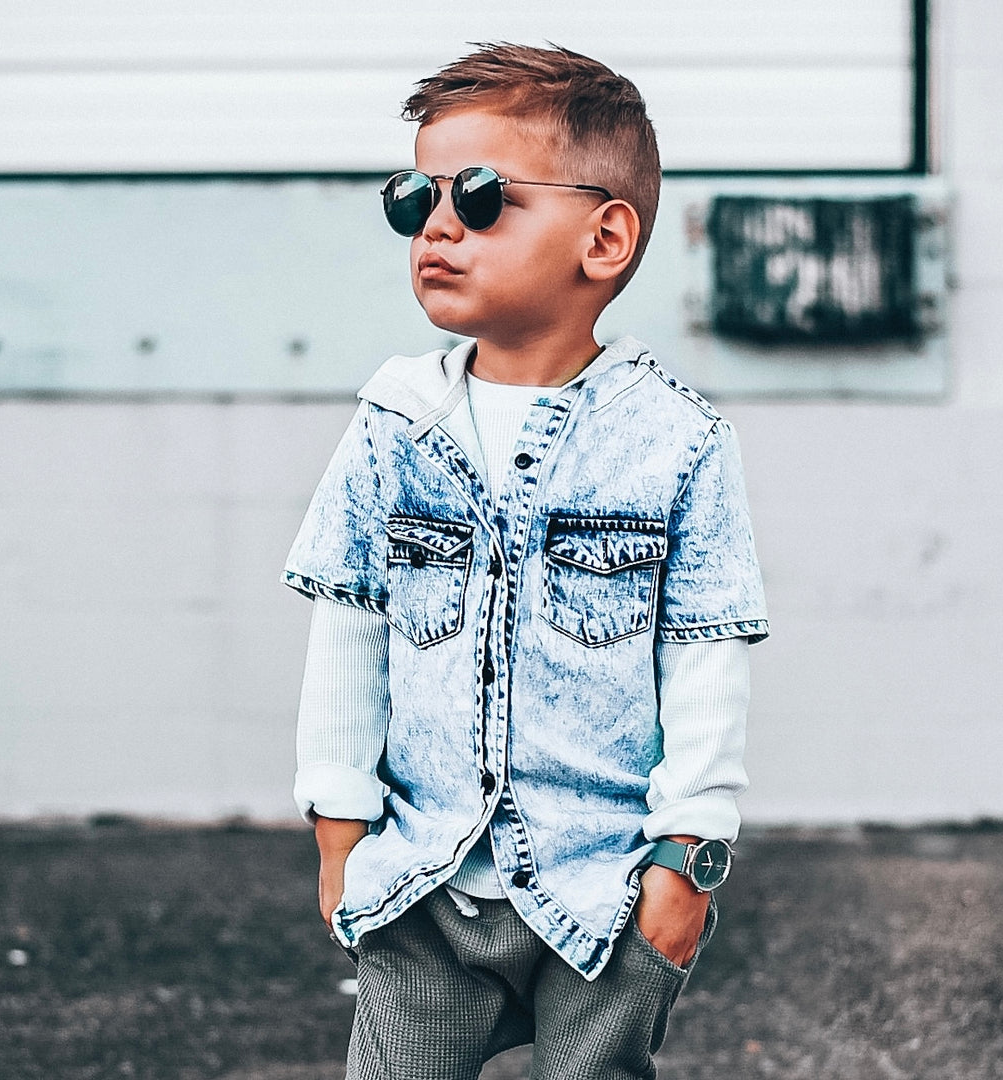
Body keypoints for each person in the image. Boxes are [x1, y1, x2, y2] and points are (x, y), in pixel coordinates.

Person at [283, 42, 768, 1080]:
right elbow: (349, 624)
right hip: (421, 889)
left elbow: (707, 655)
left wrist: (687, 864)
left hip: (604, 887)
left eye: (484, 195)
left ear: (604, 237)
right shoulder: (391, 424)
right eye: (414, 199)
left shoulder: (678, 441)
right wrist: (339, 833)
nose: (439, 225)